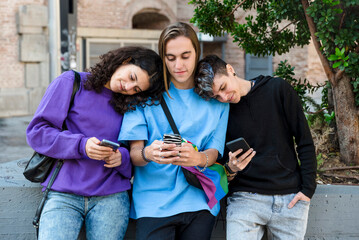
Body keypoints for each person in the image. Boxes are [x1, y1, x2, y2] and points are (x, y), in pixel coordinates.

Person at [26, 46, 164, 240]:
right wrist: (81, 146)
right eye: (132, 77)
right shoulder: (72, 83)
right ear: (125, 60)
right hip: (63, 194)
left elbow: (133, 151)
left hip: (112, 198)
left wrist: (121, 157)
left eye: (136, 89)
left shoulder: (132, 104)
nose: (128, 88)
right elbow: (37, 133)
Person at [118, 22, 229, 240]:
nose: (178, 65)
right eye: (171, 58)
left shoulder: (217, 99)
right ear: (163, 57)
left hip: (200, 201)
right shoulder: (143, 97)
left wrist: (197, 157)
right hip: (152, 203)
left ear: (197, 53)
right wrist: (150, 153)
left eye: (185, 56)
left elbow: (214, 152)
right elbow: (135, 155)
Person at [194, 55, 317, 240]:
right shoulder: (220, 111)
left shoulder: (278, 89)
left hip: (289, 199)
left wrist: (307, 190)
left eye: (223, 88)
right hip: (245, 199)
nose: (224, 97)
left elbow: (304, 141)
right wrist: (231, 168)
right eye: (216, 96)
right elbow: (220, 163)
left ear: (230, 69)